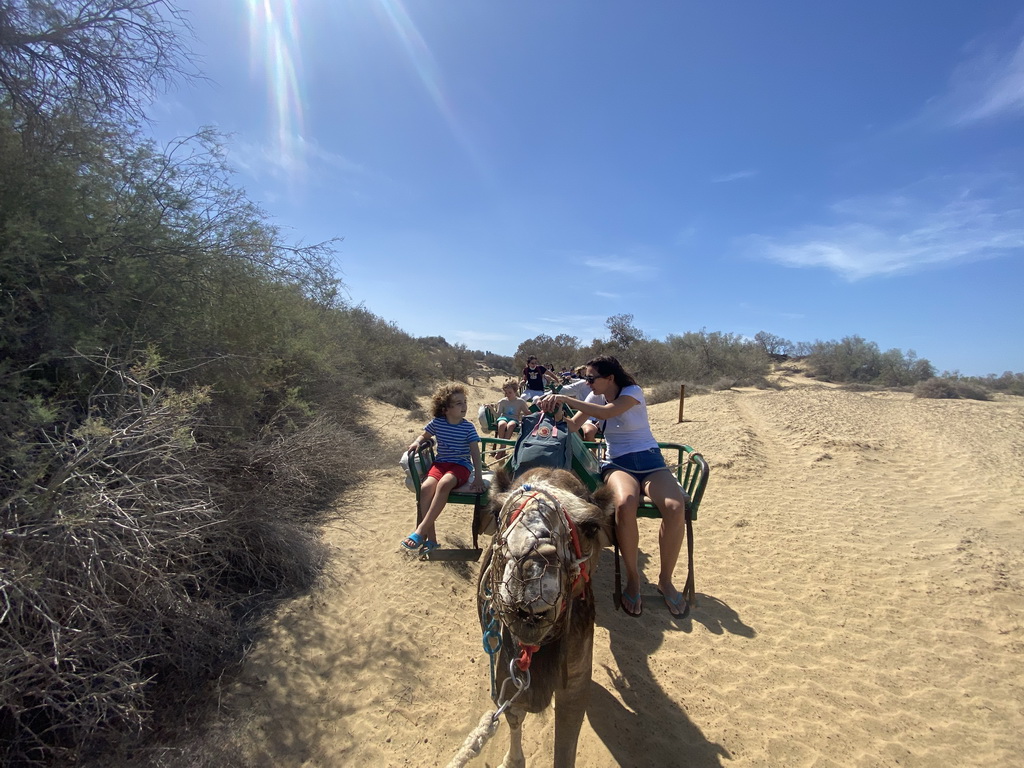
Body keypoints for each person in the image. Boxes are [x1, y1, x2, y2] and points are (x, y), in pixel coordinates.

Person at [537, 356, 689, 617]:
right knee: (625, 504)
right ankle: (633, 578)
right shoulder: (595, 399)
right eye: (586, 378)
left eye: (591, 378)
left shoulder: (632, 392)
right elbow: (573, 426)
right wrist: (556, 411)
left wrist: (564, 398)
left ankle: (665, 580)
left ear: (610, 378)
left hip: (651, 460)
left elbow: (608, 413)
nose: (587, 383)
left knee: (676, 509)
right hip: (618, 463)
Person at [400, 383, 484, 555]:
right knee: (425, 488)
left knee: (444, 484)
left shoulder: (468, 427)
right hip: (441, 463)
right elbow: (424, 436)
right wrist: (418, 442)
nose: (464, 406)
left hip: (461, 465)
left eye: (465, 402)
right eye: (459, 403)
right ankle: (432, 540)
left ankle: (420, 530)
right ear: (446, 409)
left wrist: (478, 477)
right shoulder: (438, 423)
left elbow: (475, 452)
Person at [491, 379, 530, 457]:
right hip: (504, 417)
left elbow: (527, 412)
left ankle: (502, 448)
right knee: (502, 424)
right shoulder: (503, 401)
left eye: (510, 392)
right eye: (506, 392)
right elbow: (498, 415)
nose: (507, 394)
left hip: (514, 419)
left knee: (511, 425)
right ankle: (502, 448)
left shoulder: (520, 402)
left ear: (515, 391)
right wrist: (491, 409)